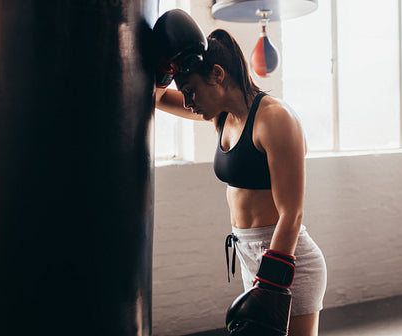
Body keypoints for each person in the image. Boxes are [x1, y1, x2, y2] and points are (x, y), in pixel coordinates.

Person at [153, 9, 326, 336]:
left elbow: (292, 213)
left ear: (217, 75)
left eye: (191, 90)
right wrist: (164, 69)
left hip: (288, 261)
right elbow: (157, 98)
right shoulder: (221, 116)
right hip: (251, 257)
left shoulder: (275, 119)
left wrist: (270, 284)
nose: (188, 102)